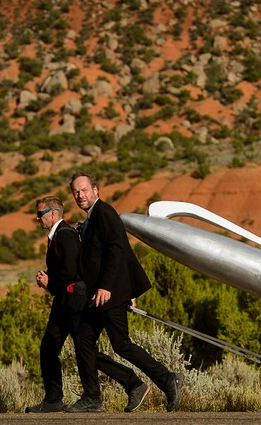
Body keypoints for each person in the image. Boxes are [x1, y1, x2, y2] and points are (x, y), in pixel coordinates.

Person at [65, 171, 184, 413]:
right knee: (84, 342)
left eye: (84, 190)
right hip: (98, 295)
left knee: (121, 344)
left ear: (96, 190)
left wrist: (108, 286)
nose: (80, 195)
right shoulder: (93, 217)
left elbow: (118, 250)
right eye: (76, 192)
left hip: (109, 293)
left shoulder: (104, 213)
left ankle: (167, 379)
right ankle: (101, 395)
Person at [25, 196, 148, 413]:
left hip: (75, 301)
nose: (37, 218)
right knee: (52, 347)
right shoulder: (57, 235)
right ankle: (53, 399)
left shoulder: (65, 235)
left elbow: (71, 272)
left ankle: (128, 384)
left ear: (53, 213)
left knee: (84, 351)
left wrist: (50, 283)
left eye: (40, 214)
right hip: (64, 300)